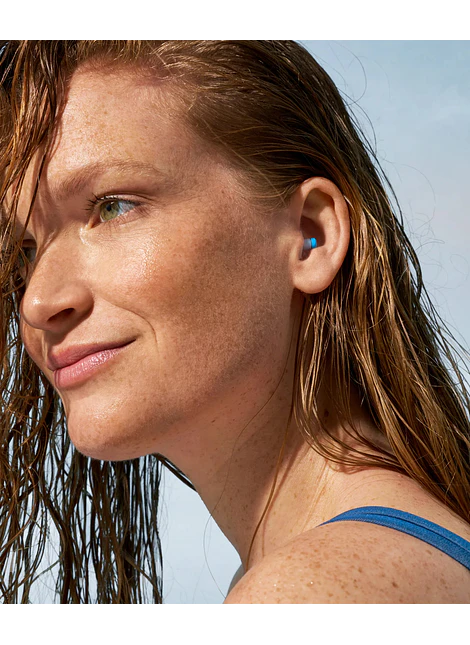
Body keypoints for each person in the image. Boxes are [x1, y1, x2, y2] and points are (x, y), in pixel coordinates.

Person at [1, 40, 469, 606]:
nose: (37, 302)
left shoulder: (304, 592)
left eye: (113, 206)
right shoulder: (401, 553)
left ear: (310, 235)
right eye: (26, 252)